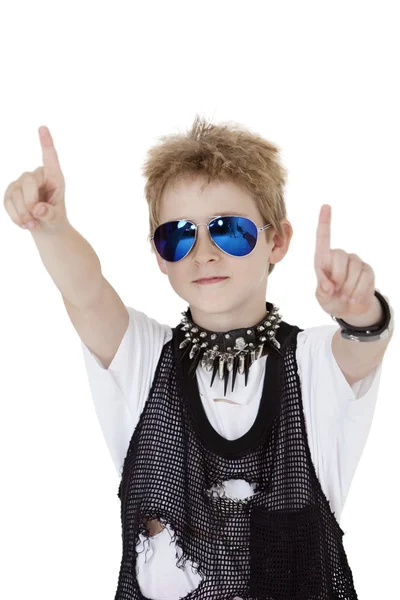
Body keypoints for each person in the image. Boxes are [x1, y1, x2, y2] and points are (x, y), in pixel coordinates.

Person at [4, 116, 394, 600]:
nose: (204, 253)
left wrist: (362, 311)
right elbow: (85, 294)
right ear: (159, 254)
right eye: (179, 235)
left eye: (229, 231)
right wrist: (52, 228)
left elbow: (361, 347)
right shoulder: (142, 361)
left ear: (277, 240)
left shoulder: (311, 365)